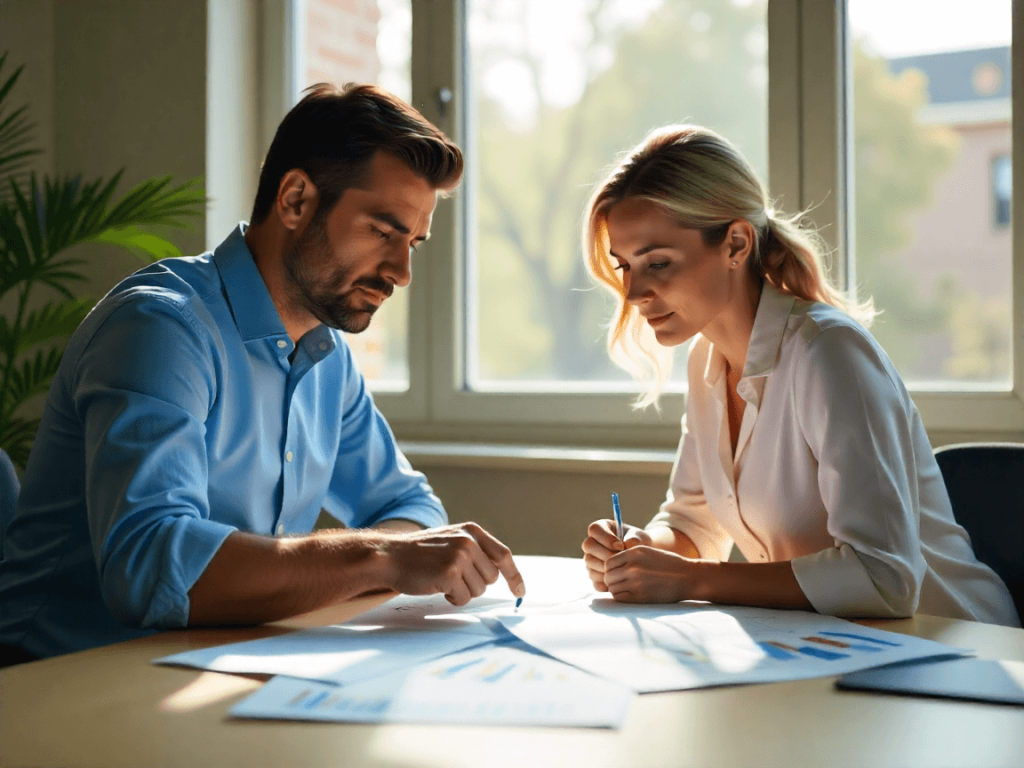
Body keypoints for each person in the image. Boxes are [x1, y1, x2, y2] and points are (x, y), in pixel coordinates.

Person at [0, 83, 525, 664]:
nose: (402, 272)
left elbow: (412, 510)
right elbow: (149, 566)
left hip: (215, 667)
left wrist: (395, 550)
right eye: (382, 231)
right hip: (58, 679)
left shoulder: (326, 356)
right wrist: (382, 556)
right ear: (296, 200)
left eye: (415, 244)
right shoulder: (161, 328)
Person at [580, 124, 1019, 628]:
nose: (634, 293)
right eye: (625, 266)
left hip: (955, 650)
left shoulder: (828, 354)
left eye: (658, 262)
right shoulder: (707, 361)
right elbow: (693, 522)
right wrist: (641, 550)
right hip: (839, 647)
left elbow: (883, 579)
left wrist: (691, 579)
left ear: (736, 244)